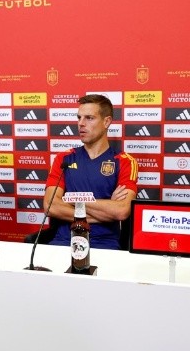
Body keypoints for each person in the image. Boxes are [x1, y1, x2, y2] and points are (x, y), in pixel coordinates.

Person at [44, 94, 138, 249]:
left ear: (106, 121)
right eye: (79, 117)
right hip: (63, 242)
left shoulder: (125, 161)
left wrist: (71, 199)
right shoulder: (64, 158)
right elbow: (50, 206)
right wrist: (107, 210)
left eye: (89, 118)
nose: (81, 123)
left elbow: (121, 211)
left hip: (104, 244)